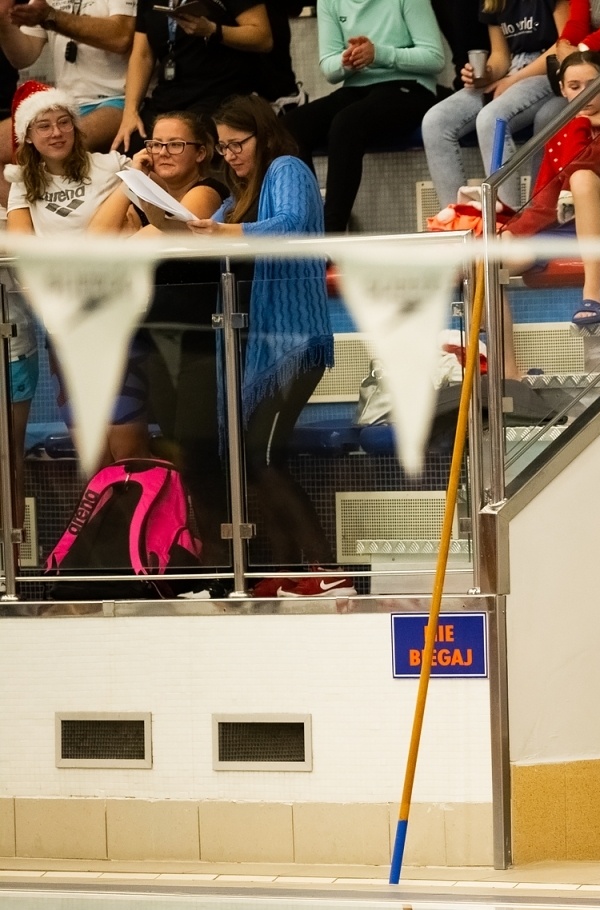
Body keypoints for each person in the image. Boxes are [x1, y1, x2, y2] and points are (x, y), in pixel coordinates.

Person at [185, 94, 349, 596]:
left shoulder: (286, 167)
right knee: (253, 457)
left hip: (294, 340)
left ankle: (327, 568)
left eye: (238, 144)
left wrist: (223, 230)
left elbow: (291, 225)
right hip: (263, 340)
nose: (230, 155)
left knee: (263, 455)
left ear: (262, 133)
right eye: (224, 147)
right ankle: (284, 568)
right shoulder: (243, 190)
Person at [107, 111, 229, 563]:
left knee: (200, 450)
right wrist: (129, 183)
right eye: (156, 144)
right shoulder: (149, 201)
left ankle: (226, 559)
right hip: (155, 336)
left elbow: (164, 235)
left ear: (201, 152)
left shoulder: (208, 191)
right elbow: (99, 240)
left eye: (175, 144)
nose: (162, 153)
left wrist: (139, 202)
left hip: (202, 337)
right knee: (178, 446)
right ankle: (196, 551)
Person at [5, 81, 148, 467]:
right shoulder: (21, 187)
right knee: (95, 459)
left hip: (115, 320)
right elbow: (27, 260)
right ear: (28, 138)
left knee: (129, 455)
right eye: (44, 126)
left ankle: (154, 528)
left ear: (76, 125)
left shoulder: (112, 165)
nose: (56, 132)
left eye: (63, 122)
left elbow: (130, 230)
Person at [505, 50, 600, 325]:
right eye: (574, 87)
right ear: (562, 90)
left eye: (592, 86)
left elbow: (574, 172)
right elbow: (546, 201)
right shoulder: (560, 133)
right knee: (487, 264)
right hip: (569, 228)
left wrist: (579, 125)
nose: (584, 95)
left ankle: (592, 295)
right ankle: (506, 365)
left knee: (582, 178)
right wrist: (513, 232)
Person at [284, 0, 447, 233]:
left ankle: (331, 234)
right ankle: (310, 224)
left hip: (411, 86)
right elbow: (330, 68)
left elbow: (434, 58)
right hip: (356, 87)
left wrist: (378, 54)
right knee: (290, 127)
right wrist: (348, 59)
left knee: (347, 122)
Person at [422, 0, 568, 212]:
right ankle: (458, 221)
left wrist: (514, 79)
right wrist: (484, 74)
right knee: (436, 121)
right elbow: (501, 56)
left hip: (548, 71)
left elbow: (565, 44)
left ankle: (508, 223)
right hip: (514, 70)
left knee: (492, 117)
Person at [114, 0, 272, 152]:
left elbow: (263, 37)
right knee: (128, 147)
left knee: (183, 146)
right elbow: (142, 55)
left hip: (219, 93)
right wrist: (130, 111)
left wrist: (212, 29)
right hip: (168, 96)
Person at [0, 0, 136, 161]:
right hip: (66, 103)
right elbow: (24, 57)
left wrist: (51, 16)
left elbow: (120, 37)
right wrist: (3, 20)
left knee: (53, 145)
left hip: (119, 99)